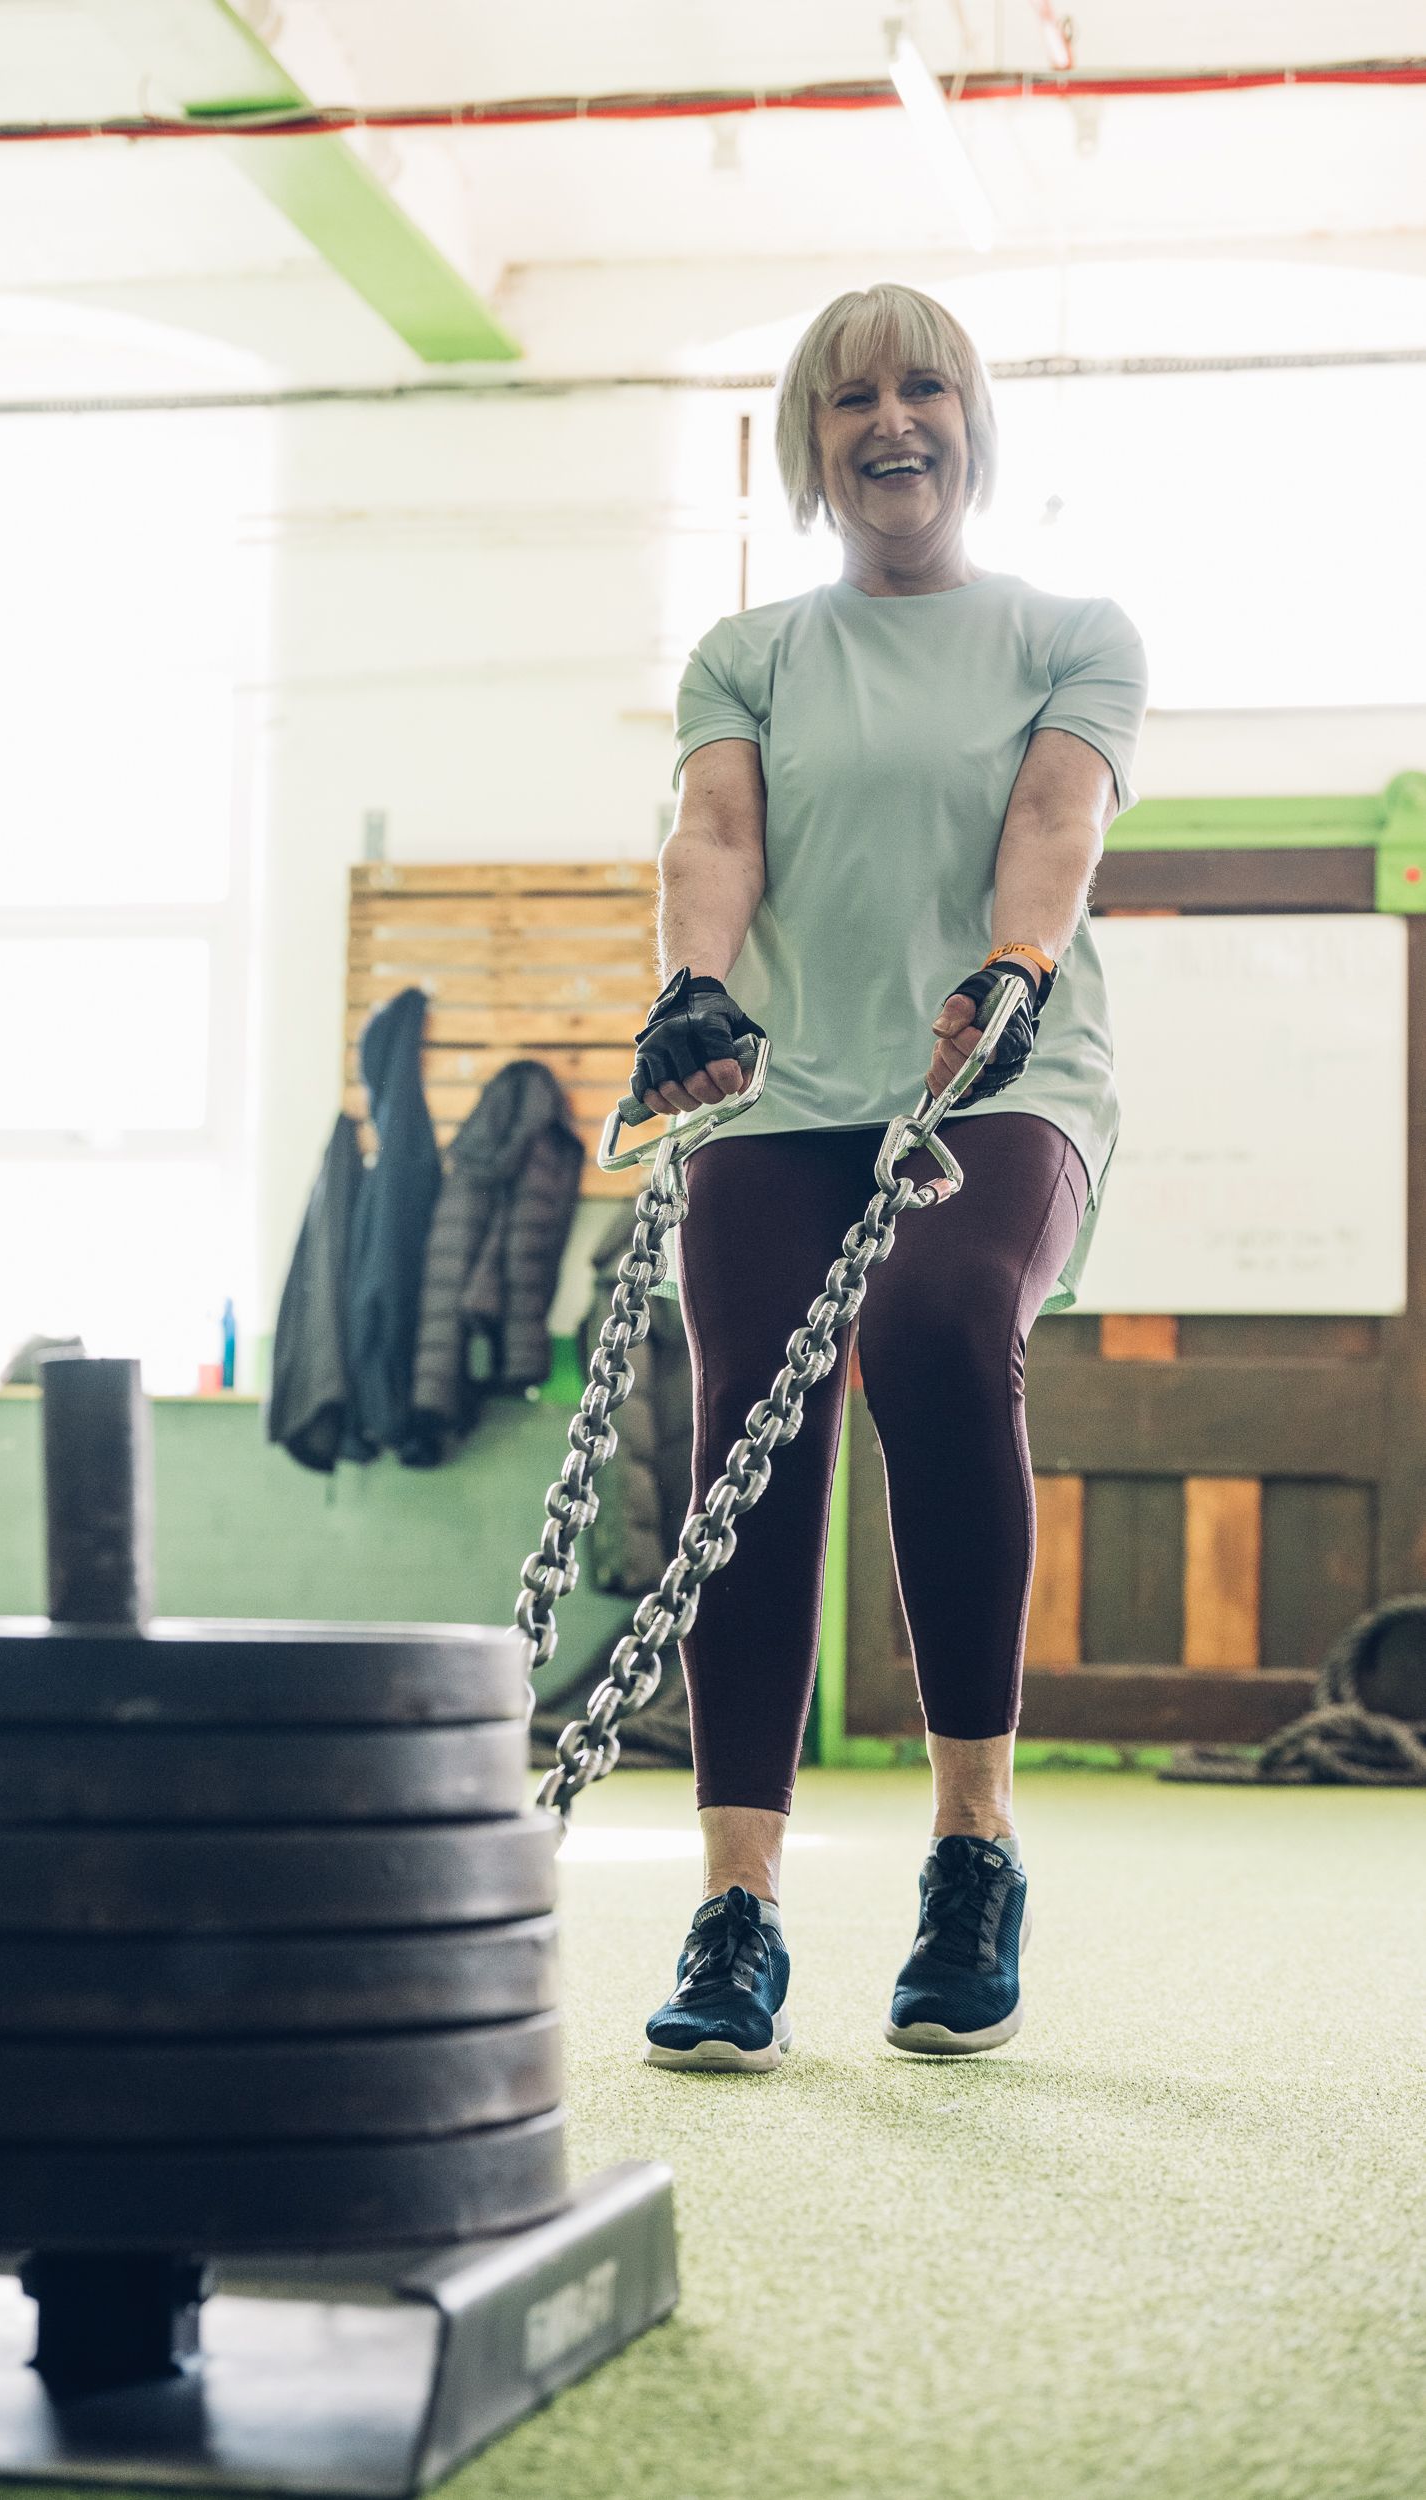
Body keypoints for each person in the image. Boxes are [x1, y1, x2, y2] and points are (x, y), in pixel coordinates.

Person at [630, 283, 1148, 2071]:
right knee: (746, 1430)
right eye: (849, 400)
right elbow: (713, 832)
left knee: (935, 1327)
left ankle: (972, 1850)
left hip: (1003, 1074)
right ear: (810, 440)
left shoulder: (1072, 633)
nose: (889, 423)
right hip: (788, 1090)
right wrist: (693, 985)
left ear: (972, 419)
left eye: (923, 387)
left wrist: (1011, 974)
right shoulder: (750, 654)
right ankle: (739, 1903)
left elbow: (1056, 823)